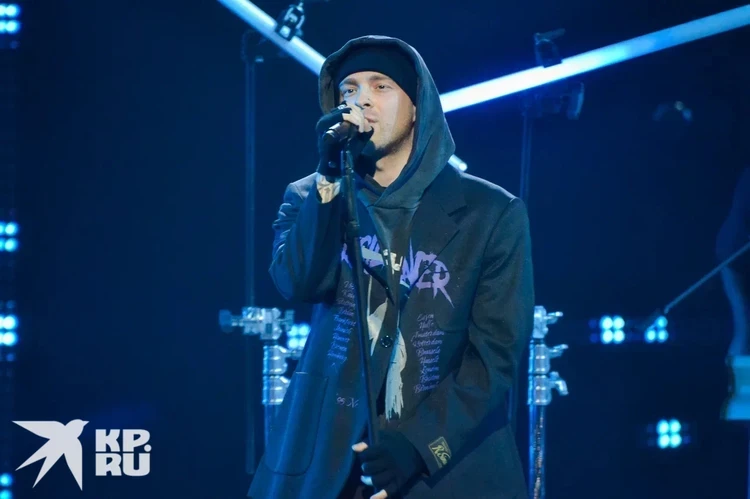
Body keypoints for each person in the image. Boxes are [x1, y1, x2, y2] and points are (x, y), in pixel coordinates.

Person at [248, 35, 535, 499]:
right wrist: (329, 178)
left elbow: (495, 355)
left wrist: (418, 446)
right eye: (349, 89)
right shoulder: (311, 196)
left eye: (380, 86)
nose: (361, 100)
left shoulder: (490, 213)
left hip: (445, 469)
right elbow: (298, 281)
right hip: (330, 464)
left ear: (417, 105)